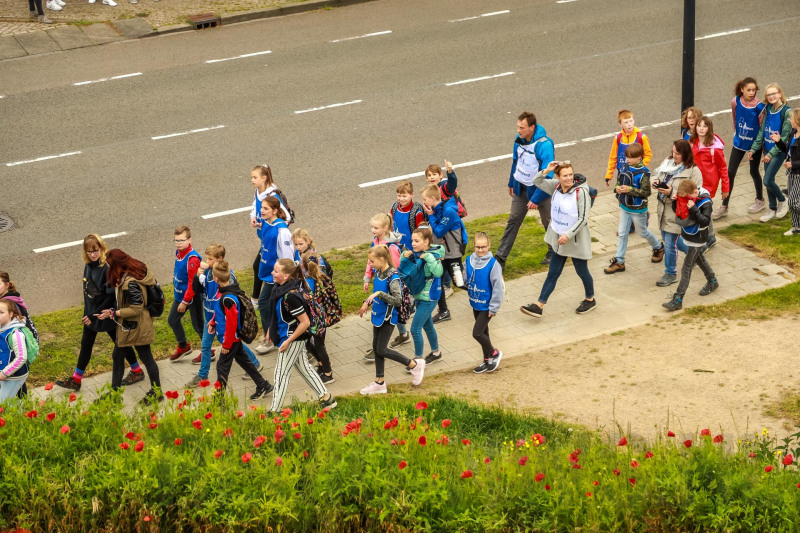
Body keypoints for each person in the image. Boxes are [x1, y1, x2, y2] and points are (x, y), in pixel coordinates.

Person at [55, 234, 143, 392]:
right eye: (89, 251)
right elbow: (87, 291)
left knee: (120, 343)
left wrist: (92, 314)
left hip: (105, 313)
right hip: (91, 313)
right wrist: (87, 312)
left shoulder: (107, 268)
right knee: (86, 345)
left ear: (102, 248)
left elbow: (110, 296)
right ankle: (76, 379)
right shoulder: (88, 265)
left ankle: (137, 370)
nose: (93, 254)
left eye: (95, 251)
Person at [520, 162, 596, 318]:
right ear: (558, 177)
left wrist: (568, 234)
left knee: (582, 271)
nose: (568, 178)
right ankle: (539, 305)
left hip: (574, 240)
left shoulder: (581, 192)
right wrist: (547, 170)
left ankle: (590, 299)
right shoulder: (555, 186)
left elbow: (583, 218)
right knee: (553, 273)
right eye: (564, 175)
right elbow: (537, 181)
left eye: (570, 175)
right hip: (558, 238)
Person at [186, 244, 264, 388]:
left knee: (235, 345)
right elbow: (197, 290)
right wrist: (197, 276)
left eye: (210, 259)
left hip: (221, 318)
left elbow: (232, 298)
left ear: (219, 259)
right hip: (210, 316)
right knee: (205, 345)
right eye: (207, 258)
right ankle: (203, 374)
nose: (207, 261)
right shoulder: (208, 272)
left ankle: (254, 364)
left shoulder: (227, 276)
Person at [267, 259, 337, 413]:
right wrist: (270, 330)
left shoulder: (291, 296)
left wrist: (288, 341)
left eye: (276, 271)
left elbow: (304, 323)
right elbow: (277, 314)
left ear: (286, 276)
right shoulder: (281, 288)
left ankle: (275, 411)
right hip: (288, 335)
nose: (272, 273)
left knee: (281, 374)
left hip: (293, 338)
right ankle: (327, 398)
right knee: (305, 368)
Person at [98, 249, 163, 404]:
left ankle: (157, 392)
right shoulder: (133, 273)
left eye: (109, 265)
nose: (108, 268)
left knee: (147, 358)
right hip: (131, 325)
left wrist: (115, 313)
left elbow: (136, 308)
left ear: (117, 265)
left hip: (137, 326)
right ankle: (115, 394)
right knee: (118, 356)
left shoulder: (130, 283)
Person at [359, 246, 426, 395]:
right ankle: (379, 382)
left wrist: (380, 294)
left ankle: (414, 365)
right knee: (376, 347)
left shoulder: (393, 277)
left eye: (371, 261)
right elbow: (375, 293)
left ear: (382, 259)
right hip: (378, 315)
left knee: (381, 349)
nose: (369, 264)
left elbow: (397, 300)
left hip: (388, 319)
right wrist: (366, 302)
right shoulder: (379, 272)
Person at [207, 261, 273, 400]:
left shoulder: (228, 299)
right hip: (231, 339)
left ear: (216, 279)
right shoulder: (225, 291)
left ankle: (218, 401)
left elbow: (231, 324)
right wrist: (213, 322)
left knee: (222, 367)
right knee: (245, 362)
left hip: (231, 339)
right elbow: (221, 312)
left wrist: (226, 344)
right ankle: (263, 385)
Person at [497, 111, 555, 268]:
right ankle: (500, 258)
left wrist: (536, 199)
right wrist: (511, 182)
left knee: (548, 222)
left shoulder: (545, 145)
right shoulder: (519, 141)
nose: (518, 130)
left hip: (540, 191)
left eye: (522, 127)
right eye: (517, 126)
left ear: (532, 127)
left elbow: (547, 176)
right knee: (513, 220)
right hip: (520, 188)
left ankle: (554, 251)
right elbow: (516, 162)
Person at [604, 143, 664, 274]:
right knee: (622, 234)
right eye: (626, 157)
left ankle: (659, 247)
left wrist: (629, 189)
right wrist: (617, 189)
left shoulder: (645, 173)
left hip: (638, 210)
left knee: (643, 232)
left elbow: (646, 193)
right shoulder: (625, 167)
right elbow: (619, 183)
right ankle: (619, 261)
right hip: (624, 207)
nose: (627, 160)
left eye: (631, 158)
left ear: (639, 157)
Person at [651, 141, 704, 287]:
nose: (674, 156)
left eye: (678, 154)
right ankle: (696, 254)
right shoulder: (668, 163)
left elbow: (696, 195)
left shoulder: (693, 171)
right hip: (662, 210)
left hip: (677, 212)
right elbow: (655, 173)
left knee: (669, 244)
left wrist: (672, 193)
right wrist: (654, 181)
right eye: (673, 151)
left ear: (685, 155)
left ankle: (670, 273)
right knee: (671, 240)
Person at [662, 180, 719, 311]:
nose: (685, 199)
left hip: (698, 238)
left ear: (694, 192)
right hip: (688, 234)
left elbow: (705, 222)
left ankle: (678, 298)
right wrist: (676, 201)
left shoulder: (706, 202)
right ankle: (712, 281)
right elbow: (679, 212)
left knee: (686, 268)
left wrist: (693, 209)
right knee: (699, 259)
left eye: (686, 197)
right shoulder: (689, 194)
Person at [715, 78, 766, 218]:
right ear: (742, 89)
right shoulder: (735, 101)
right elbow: (735, 118)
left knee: (753, 171)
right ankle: (724, 205)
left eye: (753, 90)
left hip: (753, 145)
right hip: (739, 143)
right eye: (748, 90)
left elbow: (762, 128)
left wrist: (757, 148)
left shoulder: (760, 107)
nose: (751, 93)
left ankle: (760, 200)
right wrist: (737, 134)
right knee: (730, 172)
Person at [256, 196, 296, 356]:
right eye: (262, 208)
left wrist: (283, 278)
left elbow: (287, 258)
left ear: (274, 210)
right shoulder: (267, 223)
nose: (262, 211)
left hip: (279, 275)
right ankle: (272, 334)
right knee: (267, 304)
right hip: (270, 273)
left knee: (266, 303)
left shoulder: (282, 231)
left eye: (265, 208)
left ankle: (271, 337)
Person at [422, 184, 468, 324]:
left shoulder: (448, 211)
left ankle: (483, 292)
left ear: (432, 198)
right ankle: (444, 311)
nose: (423, 202)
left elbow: (438, 231)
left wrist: (430, 216)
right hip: (442, 253)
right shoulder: (437, 209)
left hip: (453, 253)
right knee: (437, 281)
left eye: (424, 199)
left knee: (458, 282)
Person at [400, 227, 445, 365]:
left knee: (414, 328)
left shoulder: (433, 255)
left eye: (416, 241)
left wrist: (429, 258)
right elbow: (406, 268)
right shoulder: (416, 253)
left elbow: (438, 272)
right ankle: (436, 353)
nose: (413, 243)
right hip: (419, 296)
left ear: (426, 242)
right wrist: (404, 255)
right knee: (427, 326)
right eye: (412, 240)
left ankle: (418, 361)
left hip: (429, 298)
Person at [250, 164, 292, 309]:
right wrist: (254, 217)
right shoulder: (258, 191)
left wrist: (272, 225)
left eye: (255, 177)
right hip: (265, 238)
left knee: (259, 265)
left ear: (264, 178)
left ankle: (258, 299)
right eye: (252, 177)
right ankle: (260, 298)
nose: (252, 180)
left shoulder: (272, 196)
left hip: (271, 241)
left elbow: (286, 217)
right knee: (258, 266)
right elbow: (254, 205)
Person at [748, 83, 792, 222]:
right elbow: (762, 131)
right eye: (769, 95)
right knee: (769, 180)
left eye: (774, 93)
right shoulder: (768, 109)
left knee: (767, 180)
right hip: (766, 149)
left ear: (780, 94)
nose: (771, 96)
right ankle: (772, 209)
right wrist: (754, 148)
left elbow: (784, 138)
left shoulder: (786, 112)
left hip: (777, 152)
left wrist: (770, 154)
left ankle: (782, 200)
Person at [466, 232, 504, 374]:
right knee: (484, 333)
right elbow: (466, 279)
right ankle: (486, 360)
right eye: (477, 247)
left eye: (483, 247)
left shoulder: (493, 265)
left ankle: (494, 353)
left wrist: (493, 308)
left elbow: (497, 288)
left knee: (477, 333)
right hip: (475, 303)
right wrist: (459, 279)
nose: (480, 250)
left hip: (487, 305)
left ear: (489, 246)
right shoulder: (468, 260)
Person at [690, 116, 729, 249]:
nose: (701, 128)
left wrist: (725, 189)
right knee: (700, 208)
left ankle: (709, 237)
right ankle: (708, 235)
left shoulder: (715, 148)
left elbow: (723, 168)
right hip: (694, 181)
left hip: (708, 183)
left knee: (703, 208)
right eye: (699, 125)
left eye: (704, 126)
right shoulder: (692, 142)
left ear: (709, 128)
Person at [167, 226, 204, 361]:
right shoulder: (178, 252)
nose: (178, 243)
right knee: (172, 320)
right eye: (176, 240)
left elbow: (192, 284)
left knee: (198, 326)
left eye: (181, 240)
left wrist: (185, 302)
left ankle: (208, 351)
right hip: (180, 295)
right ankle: (183, 346)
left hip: (192, 297)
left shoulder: (192, 259)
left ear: (189, 240)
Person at [301, 250, 336, 385]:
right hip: (321, 316)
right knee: (310, 342)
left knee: (319, 345)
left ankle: (328, 374)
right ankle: (322, 363)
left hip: (315, 318)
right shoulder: (321, 276)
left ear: (303, 266)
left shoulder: (308, 281)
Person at [0, 271, 36, 398]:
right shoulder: (5, 300)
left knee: (19, 382)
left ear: (7, 285)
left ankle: (24, 408)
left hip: (15, 355)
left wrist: (4, 373)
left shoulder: (10, 303)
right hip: (8, 361)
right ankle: (22, 407)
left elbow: (20, 357)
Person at [774, 109, 800, 236]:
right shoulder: (793, 134)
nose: (789, 120)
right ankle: (796, 227)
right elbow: (786, 151)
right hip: (791, 172)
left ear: (798, 121)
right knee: (792, 201)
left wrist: (792, 164)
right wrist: (779, 141)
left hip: (798, 174)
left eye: (791, 119)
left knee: (793, 202)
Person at [0, 299, 31, 403]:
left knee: (2, 403)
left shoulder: (16, 333)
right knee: (12, 403)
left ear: (11, 314)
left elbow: (21, 357)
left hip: (15, 375)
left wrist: (4, 373)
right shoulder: (2, 328)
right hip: (6, 373)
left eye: (1, 312)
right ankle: (23, 416)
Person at [363, 213, 403, 292]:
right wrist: (367, 278)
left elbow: (396, 267)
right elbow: (370, 260)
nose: (372, 230)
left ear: (385, 228)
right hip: (379, 278)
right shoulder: (375, 241)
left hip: (389, 282)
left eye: (376, 228)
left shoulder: (391, 247)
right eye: (372, 227)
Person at [390, 180, 427, 252]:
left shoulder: (416, 212)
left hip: (411, 250)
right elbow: (390, 224)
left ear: (412, 195)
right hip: (395, 248)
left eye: (404, 196)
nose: (401, 199)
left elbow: (422, 233)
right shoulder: (394, 207)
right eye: (399, 195)